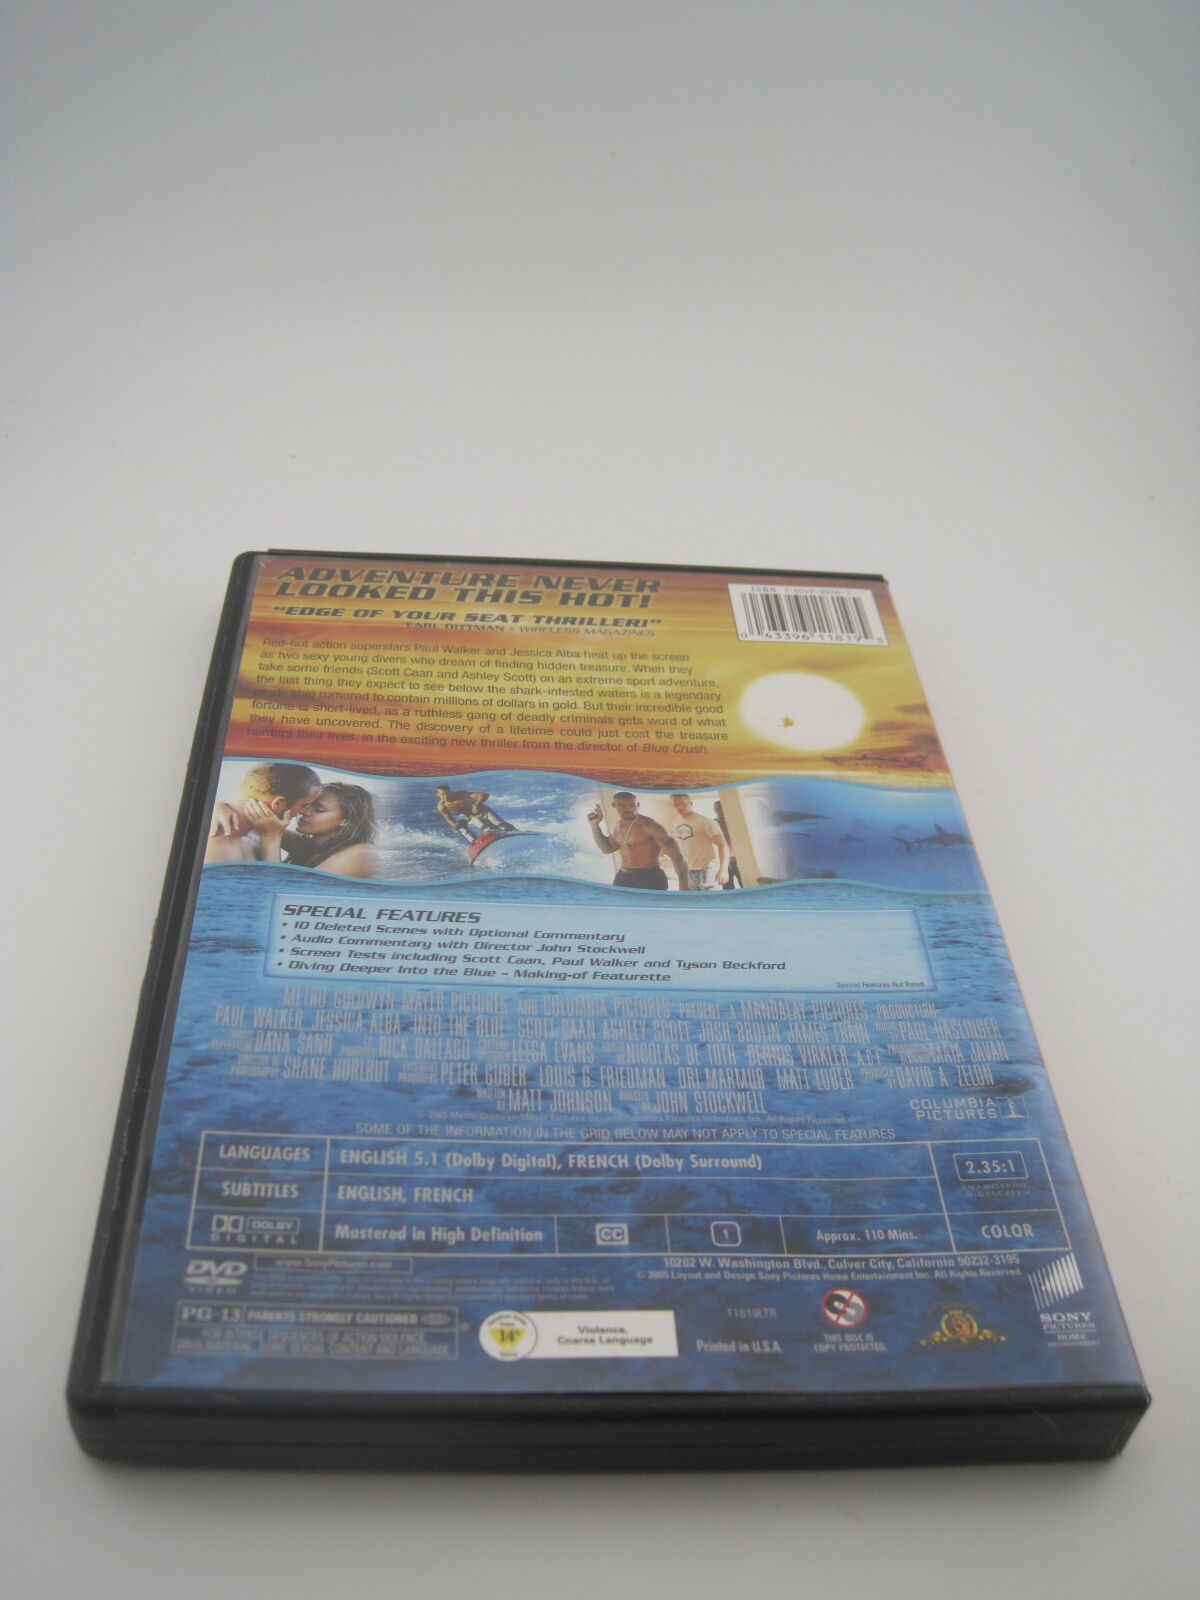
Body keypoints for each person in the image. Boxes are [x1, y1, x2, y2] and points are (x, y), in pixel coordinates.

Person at [253, 782, 379, 877]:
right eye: (306, 805)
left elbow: (281, 890)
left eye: (319, 810)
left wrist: (271, 837)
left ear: (345, 820)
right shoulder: (309, 844)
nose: (304, 812)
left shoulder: (362, 853)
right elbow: (263, 823)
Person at [205, 762, 321, 864]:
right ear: (278, 803)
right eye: (304, 805)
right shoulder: (223, 848)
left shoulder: (262, 828)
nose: (305, 812)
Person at [587, 791, 690, 890]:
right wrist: (595, 826)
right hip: (623, 876)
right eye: (622, 806)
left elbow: (676, 855)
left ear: (638, 805)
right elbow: (606, 849)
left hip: (649, 877)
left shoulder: (649, 826)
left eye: (632, 805)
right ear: (614, 805)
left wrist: (684, 885)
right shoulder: (616, 827)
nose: (627, 809)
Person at [668, 794, 729, 890]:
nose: (679, 807)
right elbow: (680, 843)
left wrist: (723, 870)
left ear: (691, 803)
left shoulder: (705, 821)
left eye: (683, 803)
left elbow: (723, 845)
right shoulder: (676, 822)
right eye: (676, 804)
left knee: (711, 898)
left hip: (708, 867)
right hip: (689, 868)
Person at [434, 786, 516, 843]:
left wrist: (477, 805)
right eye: (443, 794)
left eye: (448, 793)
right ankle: (475, 842)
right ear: (438, 795)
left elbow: (484, 795)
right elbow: (449, 818)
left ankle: (516, 832)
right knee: (486, 829)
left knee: (500, 824)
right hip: (472, 816)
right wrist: (456, 827)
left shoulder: (461, 794)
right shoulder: (442, 806)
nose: (446, 796)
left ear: (451, 791)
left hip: (484, 811)